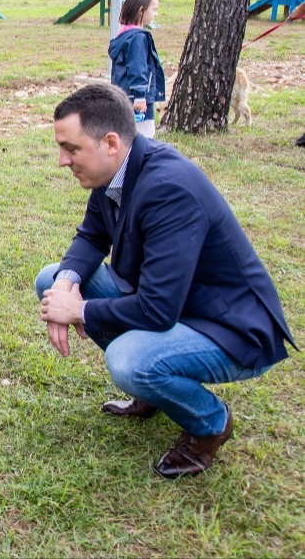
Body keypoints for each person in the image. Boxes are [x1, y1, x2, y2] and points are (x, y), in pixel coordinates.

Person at [36, 84, 297, 478]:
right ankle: (152, 391)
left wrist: (80, 309)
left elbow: (156, 310)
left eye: (71, 148)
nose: (62, 160)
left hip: (231, 328)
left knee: (128, 361)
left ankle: (210, 423)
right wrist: (67, 285)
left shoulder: (169, 188)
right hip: (177, 307)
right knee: (52, 279)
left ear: (110, 142)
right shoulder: (118, 170)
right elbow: (92, 236)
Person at [108, 0, 166, 138]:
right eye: (154, 9)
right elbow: (138, 68)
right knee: (144, 136)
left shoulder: (123, 34)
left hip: (124, 97)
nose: (156, 14)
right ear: (141, 11)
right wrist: (141, 97)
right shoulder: (138, 38)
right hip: (138, 100)